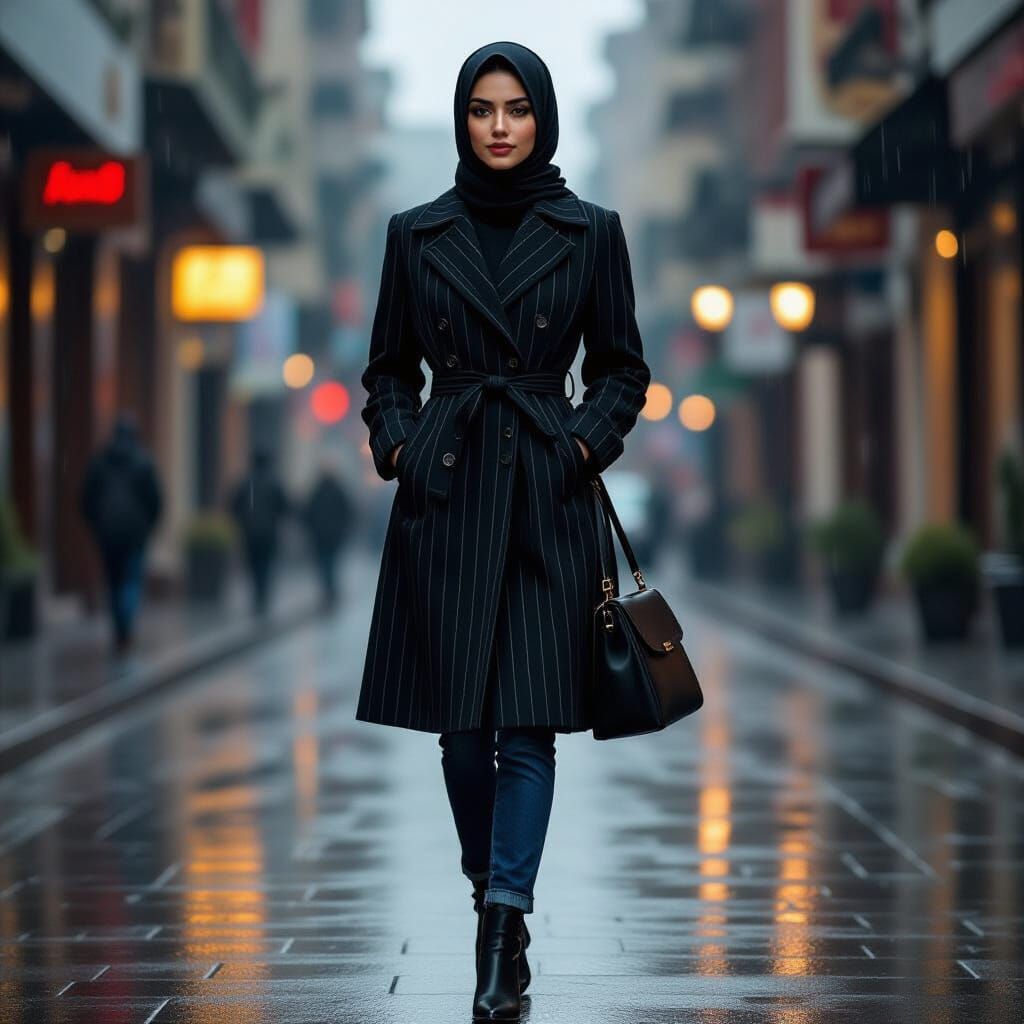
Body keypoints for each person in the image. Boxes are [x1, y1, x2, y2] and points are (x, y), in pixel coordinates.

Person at [357, 41, 651, 1021]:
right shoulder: (414, 233)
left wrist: (577, 446)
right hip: (443, 494)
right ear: (460, 119)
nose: (497, 126)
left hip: (542, 497)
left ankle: (501, 925)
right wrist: (399, 443)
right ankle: (494, 895)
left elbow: (620, 369)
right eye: (481, 108)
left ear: (542, 118)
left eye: (516, 108)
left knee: (526, 728)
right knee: (458, 735)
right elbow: (388, 369)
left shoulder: (589, 231)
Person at [80, 412, 163, 653]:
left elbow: (86, 500)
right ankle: (125, 626)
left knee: (113, 581)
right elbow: (156, 501)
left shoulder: (99, 461)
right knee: (131, 581)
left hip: (107, 534)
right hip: (136, 535)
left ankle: (119, 628)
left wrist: (97, 525)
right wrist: (148, 527)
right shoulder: (144, 462)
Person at [228, 448, 290, 616]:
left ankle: (258, 596)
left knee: (253, 565)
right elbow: (284, 507)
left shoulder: (245, 482)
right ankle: (262, 596)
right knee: (266, 565)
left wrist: (242, 521)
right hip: (269, 533)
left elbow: (232, 506)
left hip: (249, 533)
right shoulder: (274, 483)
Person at [300, 453, 355, 609]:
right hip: (334, 535)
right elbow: (348, 512)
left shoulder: (316, 490)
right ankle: (330, 589)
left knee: (323, 562)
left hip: (319, 535)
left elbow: (307, 512)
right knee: (331, 561)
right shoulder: (339, 490)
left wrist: (310, 528)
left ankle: (328, 589)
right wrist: (343, 529)